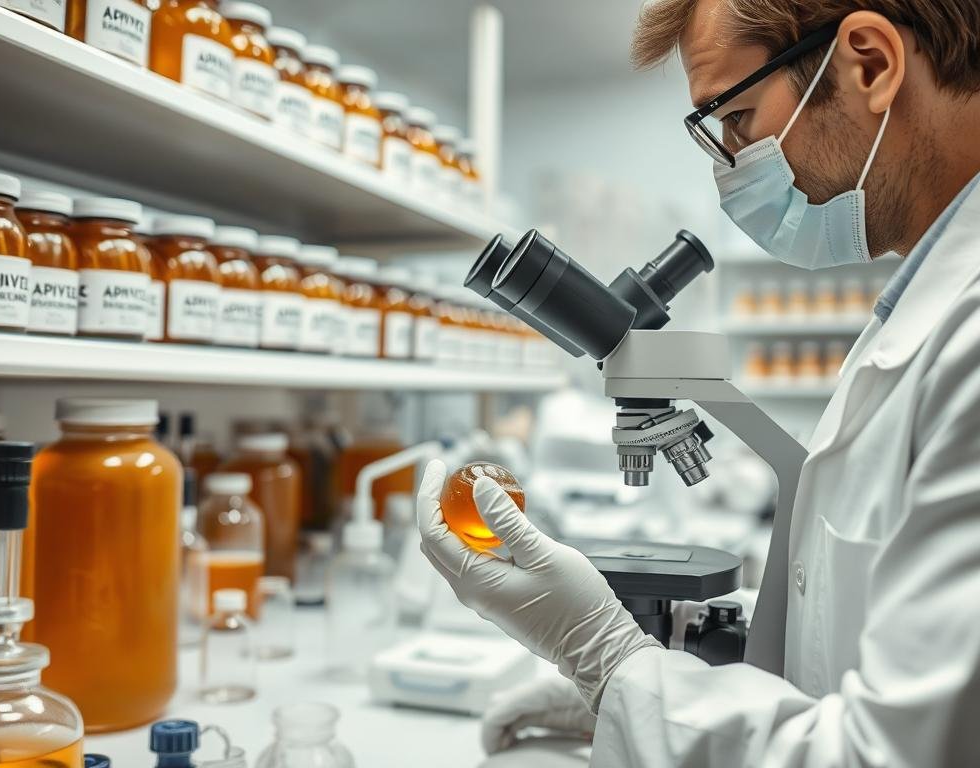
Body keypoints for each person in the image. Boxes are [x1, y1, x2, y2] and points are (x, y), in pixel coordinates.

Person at [417, 0, 980, 765]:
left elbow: (893, 753)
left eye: (738, 117)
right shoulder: (917, 306)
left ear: (870, 65)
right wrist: (648, 692)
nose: (731, 165)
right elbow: (861, 636)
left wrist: (613, 662)